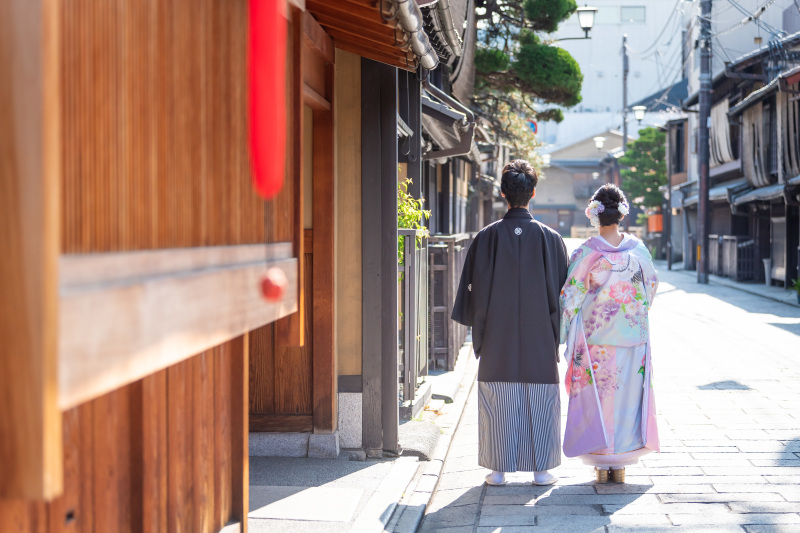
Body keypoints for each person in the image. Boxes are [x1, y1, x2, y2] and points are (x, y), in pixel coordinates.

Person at [452, 159, 568, 487]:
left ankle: (498, 470)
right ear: (533, 193)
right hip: (540, 337)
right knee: (541, 397)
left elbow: (470, 290)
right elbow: (564, 292)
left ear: (503, 193)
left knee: (498, 397)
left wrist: (480, 326)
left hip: (497, 336)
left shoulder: (486, 238)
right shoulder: (551, 239)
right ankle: (542, 470)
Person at [559, 184, 659, 484]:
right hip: (632, 340)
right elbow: (650, 288)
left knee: (600, 400)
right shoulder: (638, 251)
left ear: (594, 216)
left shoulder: (585, 252)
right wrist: (632, 313)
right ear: (622, 215)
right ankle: (623, 462)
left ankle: (602, 462)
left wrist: (565, 330)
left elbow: (571, 296)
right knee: (627, 399)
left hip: (596, 341)